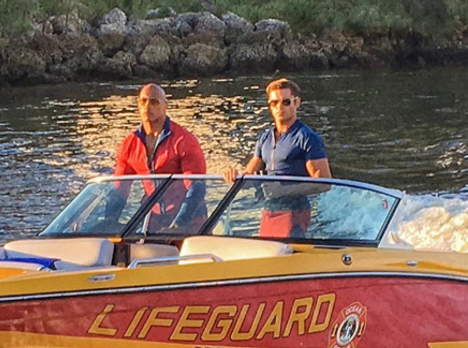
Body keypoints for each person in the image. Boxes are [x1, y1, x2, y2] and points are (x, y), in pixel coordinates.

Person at [224, 78, 332, 238]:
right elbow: (249, 174)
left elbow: (324, 182)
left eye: (286, 102)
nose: (279, 108)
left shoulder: (307, 138)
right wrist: (234, 177)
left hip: (294, 211)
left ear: (297, 103)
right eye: (274, 103)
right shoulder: (265, 138)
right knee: (266, 256)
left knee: (285, 258)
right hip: (269, 208)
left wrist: (284, 189)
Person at [113, 83, 207, 232]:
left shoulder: (184, 141)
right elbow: (118, 191)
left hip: (190, 224)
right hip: (151, 223)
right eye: (143, 101)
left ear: (165, 106)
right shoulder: (129, 144)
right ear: (138, 105)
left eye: (154, 102)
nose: (147, 106)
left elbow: (197, 188)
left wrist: (178, 226)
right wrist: (107, 222)